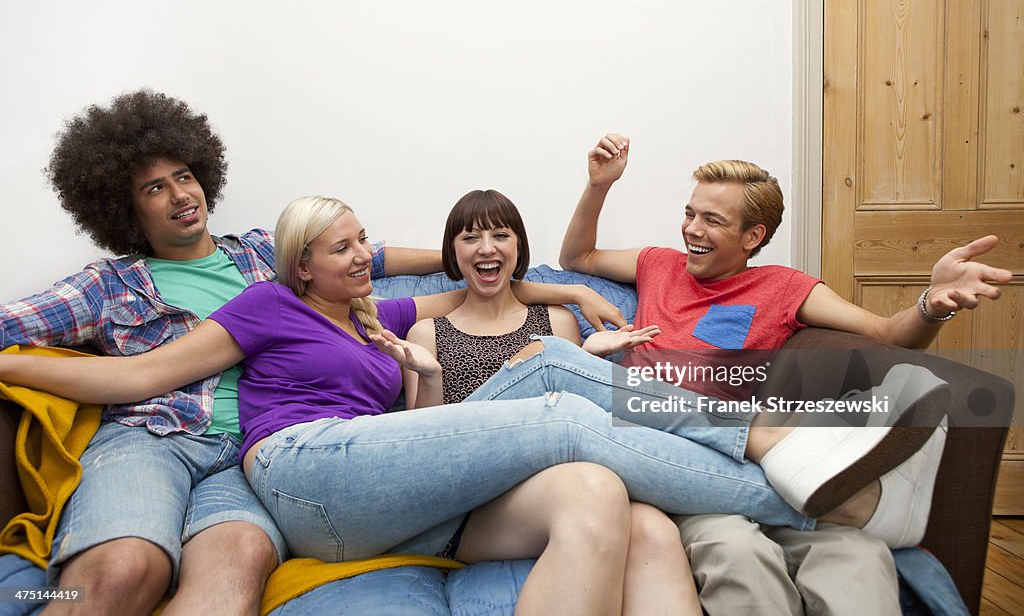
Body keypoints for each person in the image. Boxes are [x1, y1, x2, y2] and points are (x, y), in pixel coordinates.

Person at [0, 197, 963, 605]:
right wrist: (10, 362)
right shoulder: (266, 305)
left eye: (365, 245)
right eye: (347, 248)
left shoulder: (369, 316)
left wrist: (573, 294)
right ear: (301, 266)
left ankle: (807, 470)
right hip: (301, 475)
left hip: (387, 490)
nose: (367, 257)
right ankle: (792, 465)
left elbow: (482, 286)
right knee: (552, 390)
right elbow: (131, 378)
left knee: (587, 467)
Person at [0, 91, 616, 615]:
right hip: (154, 437)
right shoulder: (108, 285)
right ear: (123, 206)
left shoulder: (266, 256)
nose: (179, 194)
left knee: (231, 577)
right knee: (121, 573)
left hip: (248, 457)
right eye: (154, 188)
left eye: (184, 176)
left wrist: (493, 260)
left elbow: (391, 266)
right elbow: (19, 328)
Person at [555, 133, 1014, 615]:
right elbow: (576, 259)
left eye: (712, 219)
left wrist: (930, 303)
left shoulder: (784, 287)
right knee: (738, 552)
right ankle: (845, 469)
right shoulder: (657, 264)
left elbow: (887, 333)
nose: (691, 228)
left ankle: (833, 466)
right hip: (674, 461)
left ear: (752, 236)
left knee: (859, 555)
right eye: (690, 213)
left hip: (757, 464)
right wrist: (599, 186)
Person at [402, 188, 699, 615]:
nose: (487, 248)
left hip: (555, 479)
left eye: (500, 235)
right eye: (470, 237)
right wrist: (430, 377)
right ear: (453, 252)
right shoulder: (426, 334)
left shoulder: (557, 323)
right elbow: (418, 449)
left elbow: (574, 420)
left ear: (518, 246)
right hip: (471, 503)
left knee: (656, 530)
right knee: (591, 489)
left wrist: (587, 360)